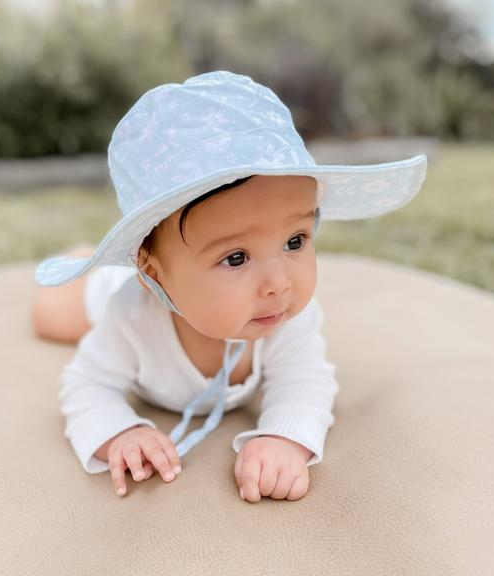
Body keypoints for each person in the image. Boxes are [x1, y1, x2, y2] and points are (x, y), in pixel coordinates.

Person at [32, 70, 428, 503]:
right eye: (236, 258)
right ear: (153, 273)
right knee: (51, 317)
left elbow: (305, 381)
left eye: (295, 241)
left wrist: (283, 438)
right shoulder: (129, 316)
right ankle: (83, 258)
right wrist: (119, 432)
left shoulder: (287, 315)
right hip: (111, 294)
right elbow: (87, 385)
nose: (278, 283)